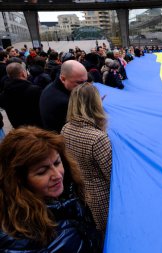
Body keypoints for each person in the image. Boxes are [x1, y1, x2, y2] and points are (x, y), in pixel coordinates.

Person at [0, 126, 102, 252]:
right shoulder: (20, 239)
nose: (58, 175)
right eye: (42, 172)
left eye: (57, 163)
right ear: (19, 180)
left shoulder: (67, 191)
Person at [61, 83, 112, 236]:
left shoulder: (66, 128)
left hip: (81, 192)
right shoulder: (97, 138)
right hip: (101, 199)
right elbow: (111, 175)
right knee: (105, 235)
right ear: (95, 104)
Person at [40, 60, 88, 133]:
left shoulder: (50, 87)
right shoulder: (64, 102)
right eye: (79, 82)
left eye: (85, 82)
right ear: (63, 79)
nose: (84, 87)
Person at [0, 62, 42, 128]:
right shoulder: (34, 90)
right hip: (35, 128)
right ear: (23, 74)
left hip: (17, 127)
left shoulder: (4, 93)